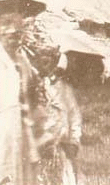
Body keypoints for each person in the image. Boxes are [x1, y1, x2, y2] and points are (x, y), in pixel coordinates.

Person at [0, 0, 46, 185]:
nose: (13, 30)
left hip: (23, 143)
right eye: (6, 23)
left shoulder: (23, 62)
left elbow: (33, 103)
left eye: (18, 23)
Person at [33, 48, 82, 185]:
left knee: (65, 176)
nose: (46, 67)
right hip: (42, 144)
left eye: (48, 63)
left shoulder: (64, 89)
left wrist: (74, 139)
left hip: (62, 144)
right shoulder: (34, 86)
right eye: (42, 63)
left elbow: (74, 114)